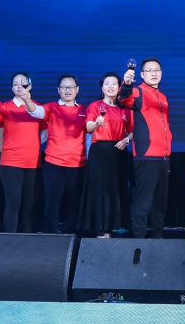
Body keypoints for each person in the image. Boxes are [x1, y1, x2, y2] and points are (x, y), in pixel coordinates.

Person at [0, 73, 43, 233]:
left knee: (30, 203)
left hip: (33, 162)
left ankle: (29, 237)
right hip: (11, 162)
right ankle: (9, 239)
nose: (20, 87)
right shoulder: (6, 107)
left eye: (23, 84)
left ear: (30, 86)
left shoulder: (37, 107)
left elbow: (45, 132)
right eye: (16, 84)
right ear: (12, 88)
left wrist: (32, 144)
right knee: (13, 203)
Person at [119, 58, 172, 239]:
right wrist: (126, 84)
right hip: (147, 156)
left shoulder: (163, 97)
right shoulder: (138, 91)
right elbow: (124, 99)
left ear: (161, 73)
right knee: (143, 203)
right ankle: (139, 242)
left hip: (164, 157)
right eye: (149, 70)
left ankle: (158, 239)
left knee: (160, 204)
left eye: (157, 70)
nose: (153, 73)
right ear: (142, 74)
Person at [79, 73, 133, 238]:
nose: (110, 86)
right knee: (100, 190)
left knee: (115, 190)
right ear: (102, 88)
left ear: (119, 87)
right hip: (100, 152)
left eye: (114, 83)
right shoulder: (95, 106)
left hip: (118, 151)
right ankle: (100, 231)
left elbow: (132, 132)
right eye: (107, 84)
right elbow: (88, 127)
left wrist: (126, 140)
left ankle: (112, 229)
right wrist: (96, 123)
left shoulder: (125, 109)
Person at [32, 75, 87, 234]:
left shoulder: (84, 110)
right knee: (51, 203)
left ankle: (74, 236)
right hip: (54, 164)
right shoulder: (51, 107)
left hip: (78, 164)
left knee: (75, 203)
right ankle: (51, 236)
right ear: (58, 90)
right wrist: (27, 99)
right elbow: (36, 112)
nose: (67, 90)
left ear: (77, 89)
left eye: (71, 87)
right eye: (64, 87)